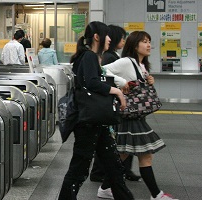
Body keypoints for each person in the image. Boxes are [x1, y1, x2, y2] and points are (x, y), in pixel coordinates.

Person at [58, 21, 134, 200]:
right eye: (106, 35)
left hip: (95, 121)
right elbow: (91, 82)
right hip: (89, 122)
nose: (109, 39)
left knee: (114, 167)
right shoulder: (89, 56)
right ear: (97, 37)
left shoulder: (88, 56)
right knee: (79, 168)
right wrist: (116, 91)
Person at [102, 31, 178, 200]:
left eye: (149, 41)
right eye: (144, 42)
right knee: (145, 155)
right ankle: (156, 194)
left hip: (134, 116)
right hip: (130, 116)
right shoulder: (126, 62)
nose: (149, 45)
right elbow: (101, 70)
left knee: (123, 155)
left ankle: (105, 187)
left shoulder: (141, 65)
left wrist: (150, 80)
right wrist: (121, 83)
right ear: (134, 45)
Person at [90, 25, 141, 186]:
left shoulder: (112, 55)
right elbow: (102, 74)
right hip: (109, 104)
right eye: (121, 37)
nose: (122, 41)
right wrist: (121, 85)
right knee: (110, 139)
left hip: (112, 103)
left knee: (111, 139)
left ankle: (113, 172)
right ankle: (103, 173)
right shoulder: (107, 57)